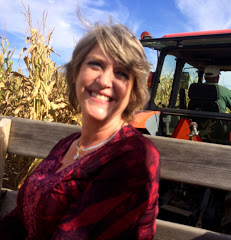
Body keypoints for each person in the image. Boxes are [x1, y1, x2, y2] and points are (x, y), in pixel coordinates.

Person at [0, 23, 160, 240]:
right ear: (76, 73)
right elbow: (20, 217)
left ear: (133, 91)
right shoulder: (67, 144)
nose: (104, 81)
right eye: (95, 64)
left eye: (121, 73)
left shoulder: (135, 157)